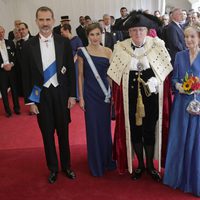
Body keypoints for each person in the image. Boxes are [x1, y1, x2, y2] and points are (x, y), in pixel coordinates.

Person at [107, 10, 172, 180]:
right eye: (134, 30)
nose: (137, 33)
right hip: (129, 99)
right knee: (135, 131)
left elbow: (165, 73)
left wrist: (156, 82)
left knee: (149, 131)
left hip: (151, 99)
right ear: (129, 32)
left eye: (141, 30)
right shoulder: (120, 48)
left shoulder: (157, 45)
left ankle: (150, 165)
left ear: (147, 30)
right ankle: (140, 166)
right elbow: (115, 77)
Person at [21, 6, 76, 184]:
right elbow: (26, 75)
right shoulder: (28, 45)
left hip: (61, 94)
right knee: (47, 134)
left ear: (53, 21)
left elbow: (71, 72)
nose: (45, 23)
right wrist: (31, 101)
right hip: (40, 95)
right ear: (36, 21)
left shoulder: (64, 42)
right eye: (41, 20)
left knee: (63, 133)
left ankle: (67, 166)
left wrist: (71, 95)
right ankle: (53, 168)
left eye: (48, 19)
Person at [163, 24, 200, 197]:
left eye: (192, 37)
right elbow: (174, 79)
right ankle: (176, 177)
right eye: (186, 37)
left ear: (198, 38)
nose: (188, 40)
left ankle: (193, 179)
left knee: (195, 141)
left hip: (198, 105)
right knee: (179, 139)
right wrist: (180, 86)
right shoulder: (179, 56)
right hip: (180, 104)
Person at [77, 23, 116, 176]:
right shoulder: (82, 52)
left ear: (102, 34)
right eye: (92, 34)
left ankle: (107, 159)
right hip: (90, 95)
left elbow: (110, 75)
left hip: (105, 95)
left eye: (97, 34)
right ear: (87, 36)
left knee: (105, 128)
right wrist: (81, 97)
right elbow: (80, 76)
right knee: (93, 128)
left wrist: (113, 94)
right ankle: (96, 163)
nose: (95, 37)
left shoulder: (108, 51)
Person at [0, 26, 20, 117]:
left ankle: (17, 108)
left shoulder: (10, 42)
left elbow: (15, 56)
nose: (1, 34)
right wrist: (2, 65)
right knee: (4, 91)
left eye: (2, 32)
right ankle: (8, 111)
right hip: (1, 71)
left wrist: (11, 64)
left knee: (14, 90)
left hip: (11, 70)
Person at [61, 24, 83, 100]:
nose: (61, 34)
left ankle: (78, 96)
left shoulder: (77, 39)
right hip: (67, 62)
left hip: (76, 62)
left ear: (67, 31)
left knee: (76, 78)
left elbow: (80, 50)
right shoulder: (64, 41)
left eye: (62, 32)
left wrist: (73, 60)